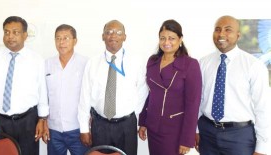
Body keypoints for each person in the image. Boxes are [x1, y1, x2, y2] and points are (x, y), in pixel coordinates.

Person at [196, 15, 271, 155]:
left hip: (239, 136)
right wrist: (196, 130)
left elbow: (263, 108)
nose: (221, 34)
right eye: (217, 29)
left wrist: (262, 148)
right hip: (207, 133)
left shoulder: (254, 65)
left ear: (238, 35)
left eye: (227, 29)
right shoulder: (203, 63)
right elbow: (198, 99)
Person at [0, 16, 49, 155]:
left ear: (25, 35)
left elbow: (42, 92)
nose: (10, 36)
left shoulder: (37, 60)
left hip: (28, 121)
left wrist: (42, 119)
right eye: (6, 32)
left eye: (15, 32)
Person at [78, 20, 148, 155]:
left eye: (118, 32)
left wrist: (133, 116)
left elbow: (142, 91)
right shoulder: (93, 63)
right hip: (100, 124)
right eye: (109, 32)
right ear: (103, 36)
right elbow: (85, 96)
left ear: (124, 37)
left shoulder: (135, 62)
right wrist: (84, 128)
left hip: (127, 125)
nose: (113, 36)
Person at [138, 19, 202, 155]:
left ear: (180, 39)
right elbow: (151, 94)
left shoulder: (190, 64)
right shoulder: (152, 61)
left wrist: (187, 139)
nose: (166, 42)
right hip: (153, 127)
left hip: (175, 131)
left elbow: (193, 104)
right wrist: (143, 121)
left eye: (171, 38)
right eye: (163, 38)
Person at [43, 24, 89, 155]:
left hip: (78, 128)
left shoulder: (86, 64)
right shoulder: (47, 64)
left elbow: (90, 96)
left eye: (66, 38)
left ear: (75, 41)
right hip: (53, 129)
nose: (61, 42)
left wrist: (88, 127)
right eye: (58, 38)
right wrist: (43, 121)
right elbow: (43, 96)